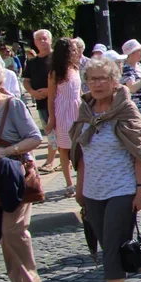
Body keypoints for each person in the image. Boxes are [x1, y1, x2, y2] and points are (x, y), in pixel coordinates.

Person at [70, 57, 141, 282]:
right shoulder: (85, 111)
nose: (97, 84)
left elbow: (139, 153)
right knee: (114, 247)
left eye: (103, 78)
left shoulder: (126, 110)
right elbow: (81, 154)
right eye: (92, 79)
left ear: (115, 81)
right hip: (93, 190)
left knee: (112, 247)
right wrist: (79, 189)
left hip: (122, 189)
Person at [0, 58, 43, 282]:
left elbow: (35, 137)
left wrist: (8, 151)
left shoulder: (12, 105)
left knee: (13, 229)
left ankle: (31, 278)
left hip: (11, 179)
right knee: (3, 233)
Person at [46, 37, 81, 191]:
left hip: (77, 110)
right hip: (63, 111)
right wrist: (51, 118)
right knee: (64, 148)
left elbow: (79, 92)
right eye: (72, 50)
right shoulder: (55, 73)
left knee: (79, 146)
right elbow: (51, 97)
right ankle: (69, 184)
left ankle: (81, 180)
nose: (75, 52)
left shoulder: (75, 68)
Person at [22, 30, 56, 174]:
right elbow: (26, 80)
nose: (42, 41)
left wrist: (50, 91)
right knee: (50, 133)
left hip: (57, 102)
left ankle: (51, 161)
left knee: (58, 132)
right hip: (41, 104)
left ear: (50, 40)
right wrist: (32, 92)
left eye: (44, 38)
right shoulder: (32, 62)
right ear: (35, 43)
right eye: (39, 39)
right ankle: (54, 160)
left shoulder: (57, 58)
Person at [120, 39, 141, 116]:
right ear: (131, 53)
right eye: (139, 51)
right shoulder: (126, 68)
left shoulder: (139, 65)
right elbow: (132, 88)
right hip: (136, 109)